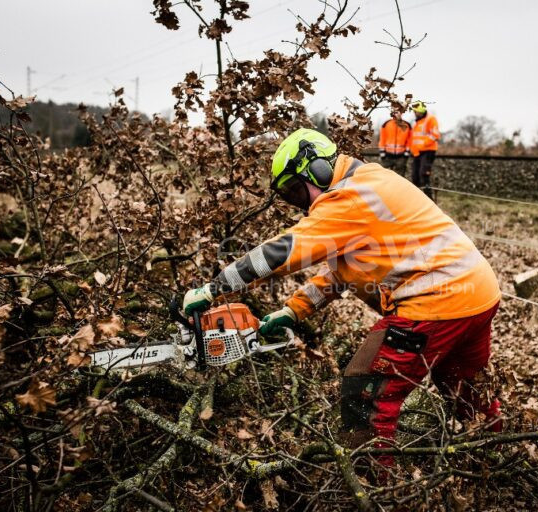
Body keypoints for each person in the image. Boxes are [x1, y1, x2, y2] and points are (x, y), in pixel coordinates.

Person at [183, 128, 502, 465]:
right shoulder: (367, 182)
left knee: (365, 392)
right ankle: (495, 457)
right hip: (477, 296)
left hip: (436, 304)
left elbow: (282, 253)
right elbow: (341, 273)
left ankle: (374, 487)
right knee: (466, 388)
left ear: (316, 169)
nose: (299, 203)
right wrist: (292, 311)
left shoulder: (348, 198)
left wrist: (213, 288)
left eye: (295, 191)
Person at [409, 100, 440, 199]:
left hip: (428, 151)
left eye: (416, 111)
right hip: (417, 153)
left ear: (421, 111)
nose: (414, 113)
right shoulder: (417, 123)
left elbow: (435, 135)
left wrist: (423, 145)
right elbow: (414, 139)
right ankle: (417, 199)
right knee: (415, 176)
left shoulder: (431, 119)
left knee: (424, 175)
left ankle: (428, 199)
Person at [377, 111, 411, 177]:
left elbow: (409, 141)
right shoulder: (386, 124)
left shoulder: (407, 125)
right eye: (395, 112)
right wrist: (382, 154)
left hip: (401, 156)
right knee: (385, 177)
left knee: (400, 178)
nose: (396, 114)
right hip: (387, 156)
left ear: (401, 113)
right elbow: (382, 140)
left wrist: (406, 154)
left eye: (398, 112)